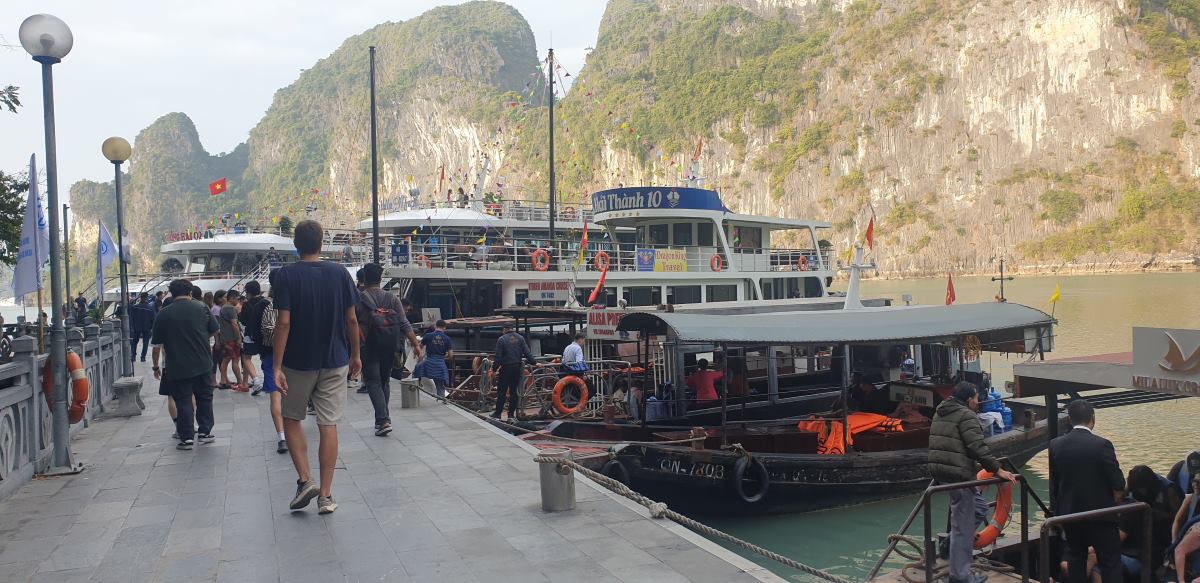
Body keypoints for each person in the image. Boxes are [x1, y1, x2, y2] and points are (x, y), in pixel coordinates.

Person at [271, 220, 361, 514]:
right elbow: (351, 320)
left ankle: (305, 479)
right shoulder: (339, 273)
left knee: (292, 418)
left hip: (298, 362)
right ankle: (325, 495)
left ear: (296, 245)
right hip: (335, 360)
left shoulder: (285, 276)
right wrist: (355, 355)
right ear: (321, 243)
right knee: (328, 424)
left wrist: (276, 366)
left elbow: (283, 323)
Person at [928, 381, 1017, 583]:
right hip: (958, 475)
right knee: (963, 525)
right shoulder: (966, 415)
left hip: (940, 471)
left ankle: (951, 541)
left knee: (978, 507)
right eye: (976, 398)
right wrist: (998, 469)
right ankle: (960, 576)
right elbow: (977, 447)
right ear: (969, 399)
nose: (978, 402)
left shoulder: (940, 411)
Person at [1050, 399, 1125, 583]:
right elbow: (1118, 482)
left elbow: (1056, 484)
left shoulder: (1055, 445)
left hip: (1071, 515)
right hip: (1102, 515)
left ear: (1069, 419)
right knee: (1110, 564)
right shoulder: (1102, 445)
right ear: (1093, 419)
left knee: (1076, 560)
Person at [151, 279, 220, 450]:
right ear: (190, 292)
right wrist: (201, 339)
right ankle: (205, 432)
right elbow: (215, 329)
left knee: (183, 400)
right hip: (203, 362)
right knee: (205, 397)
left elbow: (156, 345)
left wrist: (155, 366)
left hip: (177, 365)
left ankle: (187, 437)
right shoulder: (202, 307)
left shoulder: (164, 313)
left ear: (172, 293)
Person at [356, 263, 420, 435]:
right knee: (384, 381)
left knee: (373, 382)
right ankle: (383, 418)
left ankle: (383, 420)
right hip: (389, 345)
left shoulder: (359, 299)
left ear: (364, 280)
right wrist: (415, 343)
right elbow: (404, 323)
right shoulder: (392, 299)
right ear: (380, 279)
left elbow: (351, 324)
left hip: (368, 346)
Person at [1120, 465, 1183, 580]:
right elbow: (1121, 496)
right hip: (1141, 533)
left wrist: (1154, 515)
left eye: (1143, 487)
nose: (1142, 491)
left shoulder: (1169, 490)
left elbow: (1178, 519)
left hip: (1162, 537)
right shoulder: (1132, 485)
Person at [490, 322, 539, 420]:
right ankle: (511, 415)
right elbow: (527, 353)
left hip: (506, 368)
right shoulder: (520, 338)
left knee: (502, 392)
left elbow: (498, 357)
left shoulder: (501, 339)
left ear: (504, 329)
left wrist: (494, 369)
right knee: (514, 392)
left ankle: (498, 414)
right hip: (517, 367)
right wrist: (535, 363)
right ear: (512, 328)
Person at [1171, 473, 1200, 583]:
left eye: (1199, 482)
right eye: (1194, 481)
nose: (1196, 485)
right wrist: (1174, 540)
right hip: (1188, 537)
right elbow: (1177, 521)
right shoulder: (1189, 498)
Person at [218, 290, 246, 391]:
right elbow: (234, 324)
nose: (238, 301)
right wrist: (238, 338)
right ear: (232, 298)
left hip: (226, 338)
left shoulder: (224, 308)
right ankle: (240, 382)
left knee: (225, 360)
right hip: (232, 339)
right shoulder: (230, 309)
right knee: (235, 360)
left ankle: (223, 381)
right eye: (237, 299)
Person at [238, 283, 263, 390]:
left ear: (249, 292)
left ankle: (256, 380)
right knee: (264, 358)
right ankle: (244, 383)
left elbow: (244, 320)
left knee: (246, 358)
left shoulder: (248, 305)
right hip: (264, 335)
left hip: (251, 335)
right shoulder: (265, 302)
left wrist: (239, 313)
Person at [419, 319, 453, 400]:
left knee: (420, 379)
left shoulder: (427, 336)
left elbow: (419, 346)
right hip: (439, 363)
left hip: (428, 363)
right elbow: (451, 355)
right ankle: (441, 400)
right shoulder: (447, 339)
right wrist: (443, 358)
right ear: (444, 327)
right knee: (440, 384)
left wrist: (421, 356)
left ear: (435, 326)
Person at [129, 292, 156, 363]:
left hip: (136, 327)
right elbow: (153, 319)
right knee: (145, 342)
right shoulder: (150, 308)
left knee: (134, 342)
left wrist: (133, 325)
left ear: (141, 298)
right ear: (147, 298)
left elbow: (132, 317)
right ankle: (143, 357)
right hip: (147, 328)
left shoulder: (135, 307)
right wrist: (151, 328)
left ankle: (133, 356)